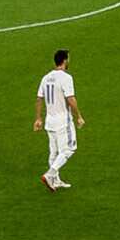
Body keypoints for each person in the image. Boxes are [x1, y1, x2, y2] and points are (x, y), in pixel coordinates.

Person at [34, 47, 84, 190]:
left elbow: (39, 98)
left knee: (54, 151)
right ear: (64, 61)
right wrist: (79, 116)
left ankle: (55, 181)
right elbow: (71, 100)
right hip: (63, 121)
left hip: (50, 120)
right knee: (69, 149)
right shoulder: (66, 78)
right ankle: (50, 174)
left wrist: (38, 118)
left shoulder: (46, 77)